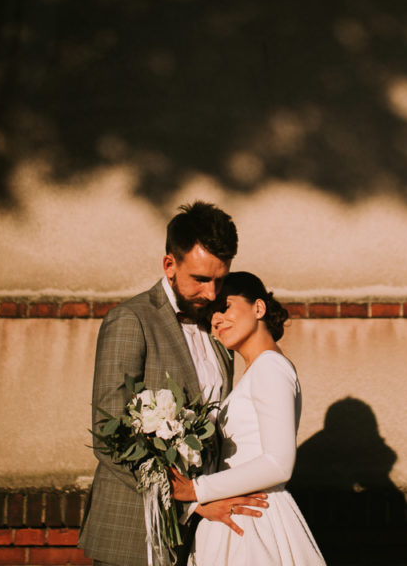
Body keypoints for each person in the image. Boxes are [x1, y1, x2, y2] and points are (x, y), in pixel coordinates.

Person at [79, 202, 269, 566]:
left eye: (220, 279)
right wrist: (194, 500)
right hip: (135, 531)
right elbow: (108, 433)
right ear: (169, 265)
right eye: (200, 279)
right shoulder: (131, 320)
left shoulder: (217, 326)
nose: (212, 294)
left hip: (205, 534)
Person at [170, 272, 326, 566]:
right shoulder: (254, 373)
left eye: (224, 307)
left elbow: (278, 464)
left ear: (258, 308)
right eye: (210, 317)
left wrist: (196, 490)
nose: (215, 320)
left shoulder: (270, 367)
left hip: (256, 522)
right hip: (236, 515)